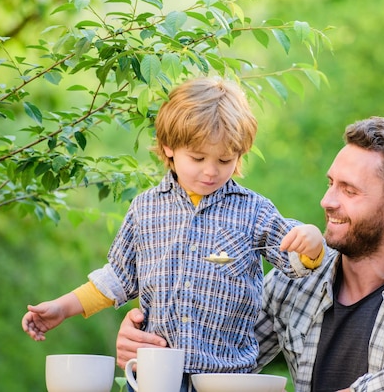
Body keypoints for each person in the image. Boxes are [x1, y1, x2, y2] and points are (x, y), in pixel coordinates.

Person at [115, 116, 384, 392]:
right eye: (330, 184)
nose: (327, 201)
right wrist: (153, 347)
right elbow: (217, 359)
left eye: (349, 191)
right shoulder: (293, 284)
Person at [21, 77, 326, 388]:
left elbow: (293, 256)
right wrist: (62, 307)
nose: (211, 171)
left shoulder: (254, 211)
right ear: (169, 146)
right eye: (197, 158)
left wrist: (312, 244)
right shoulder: (145, 209)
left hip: (226, 377)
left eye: (224, 160)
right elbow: (117, 277)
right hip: (156, 374)